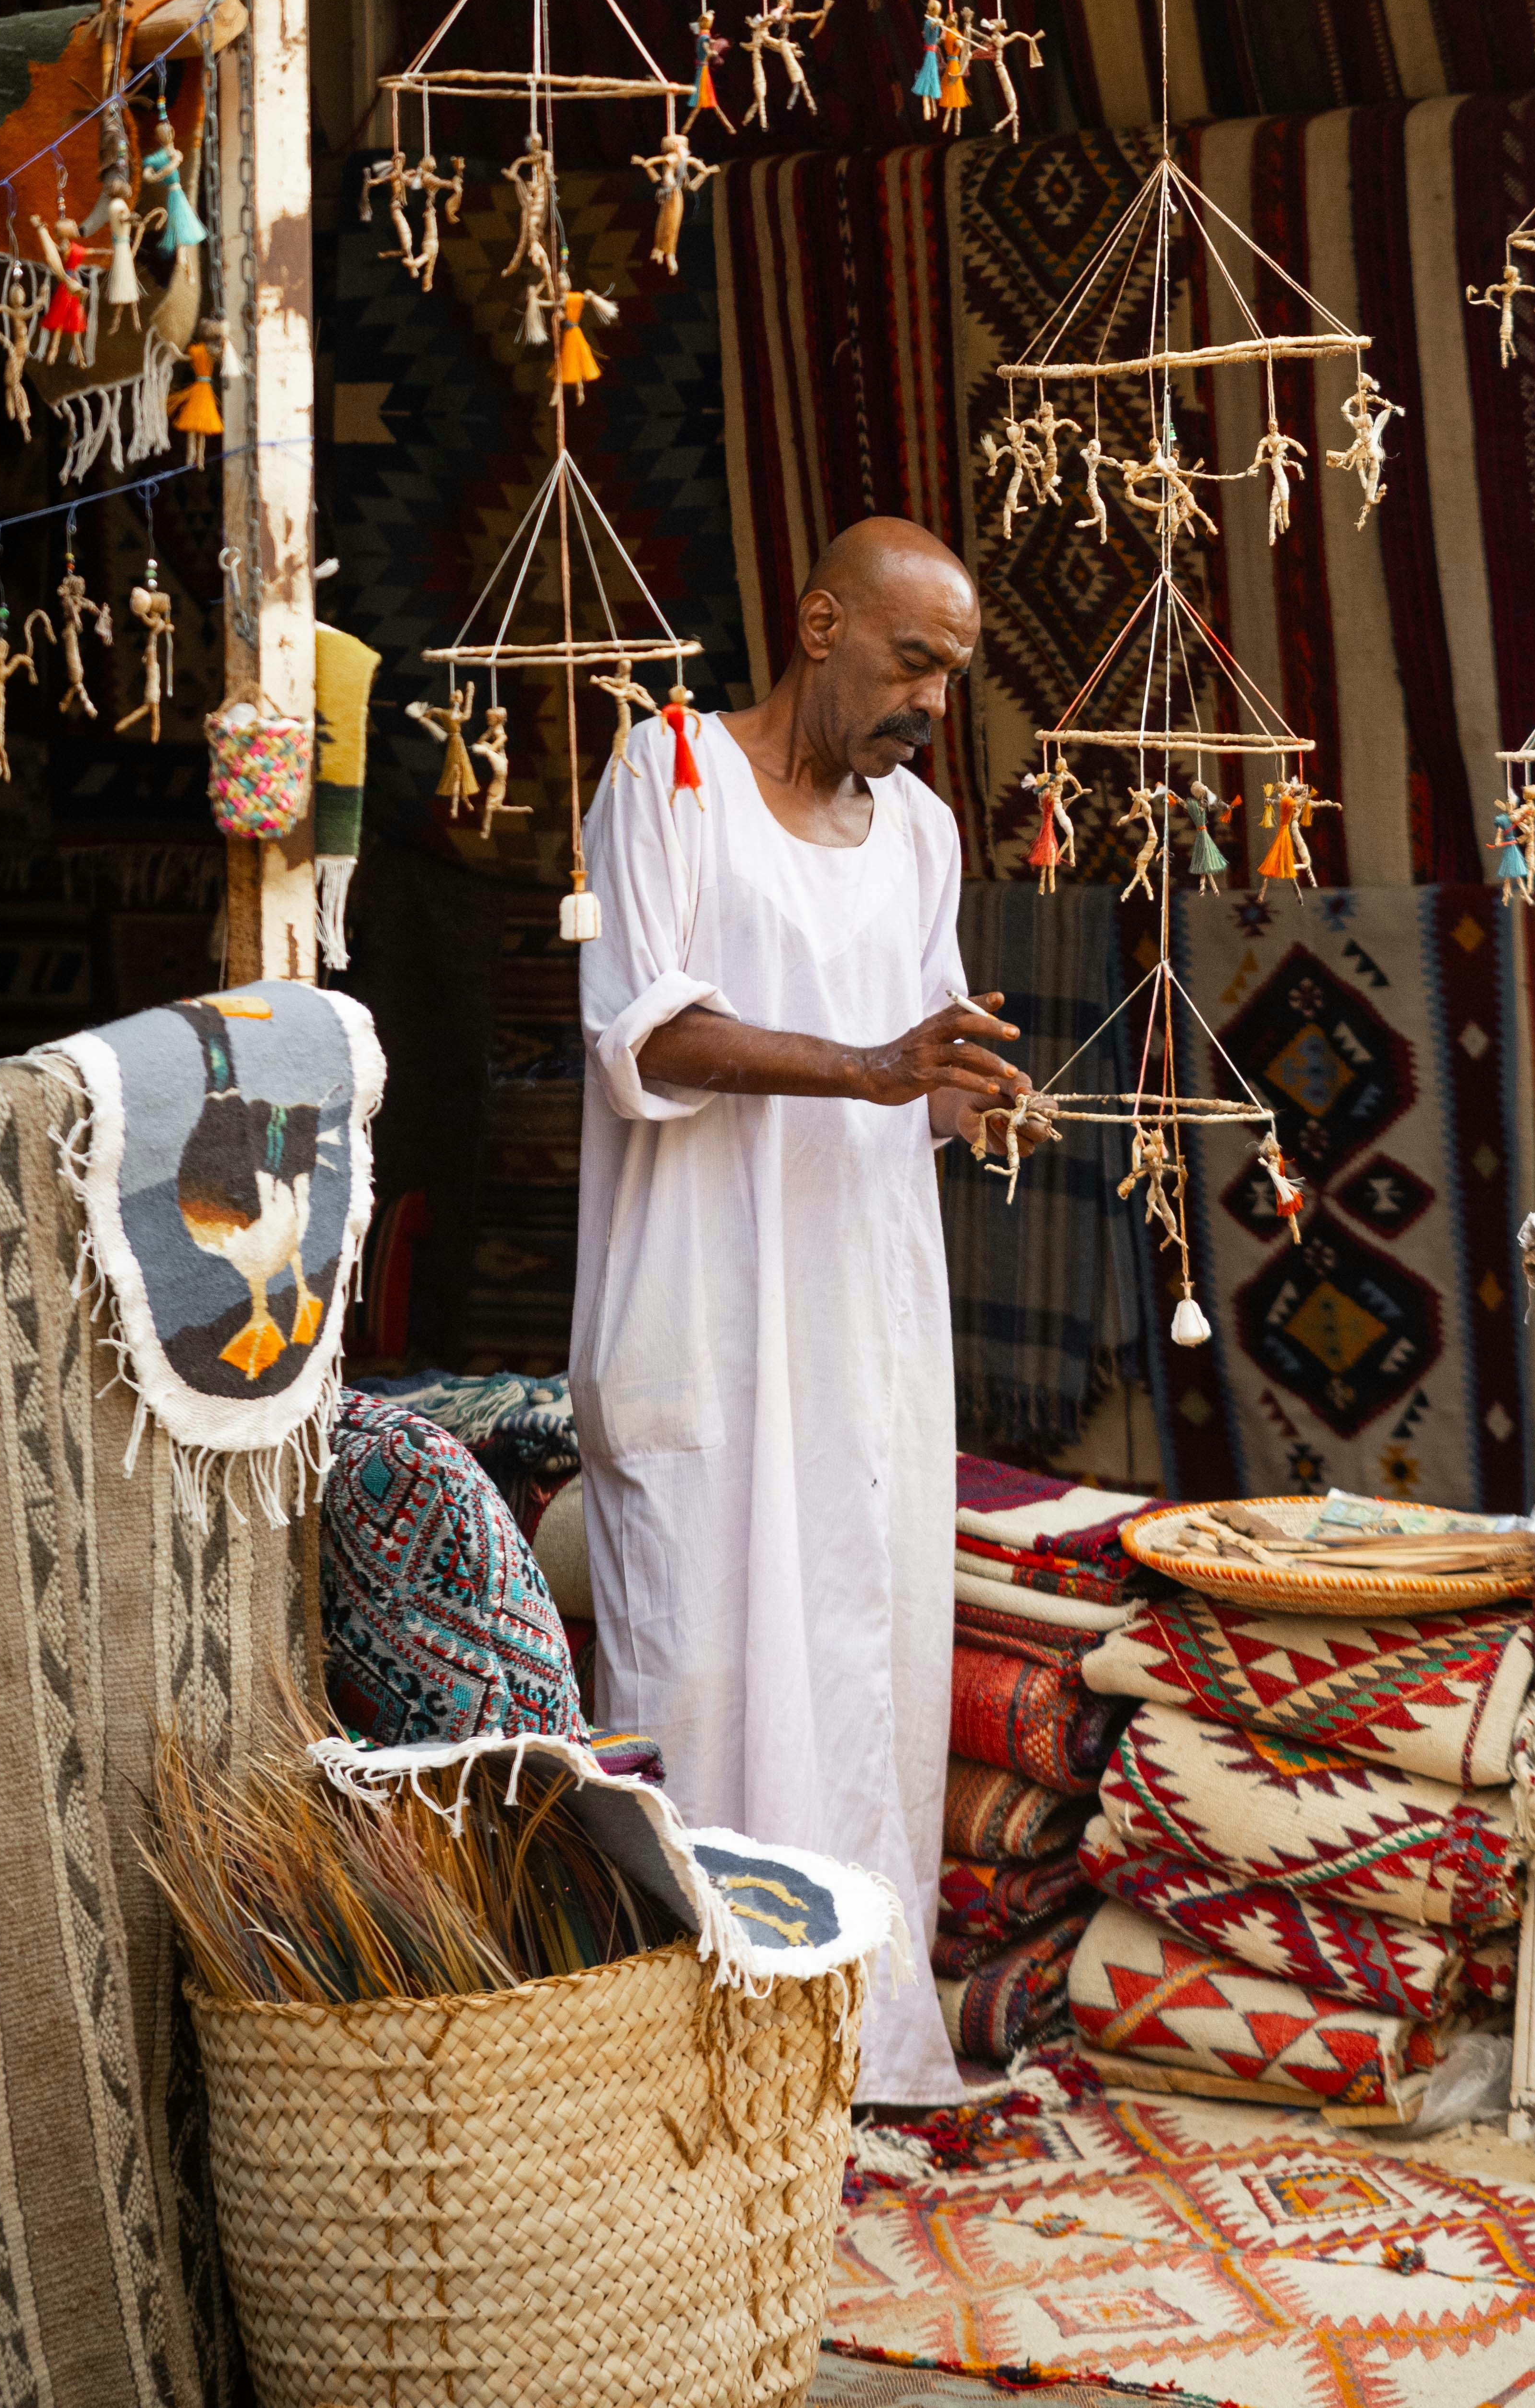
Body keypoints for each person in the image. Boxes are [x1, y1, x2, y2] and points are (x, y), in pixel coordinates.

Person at [575, 516, 1031, 2101]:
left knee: (860, 1650)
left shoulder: (917, 831)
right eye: (912, 664)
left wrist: (969, 1098)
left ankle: (847, 2046)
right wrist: (873, 1069)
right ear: (820, 622)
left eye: (953, 680)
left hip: (861, 1309)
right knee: (695, 1660)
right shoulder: (671, 773)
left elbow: (917, 1047)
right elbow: (650, 1032)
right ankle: (688, 2070)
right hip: (700, 1295)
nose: (930, 706)